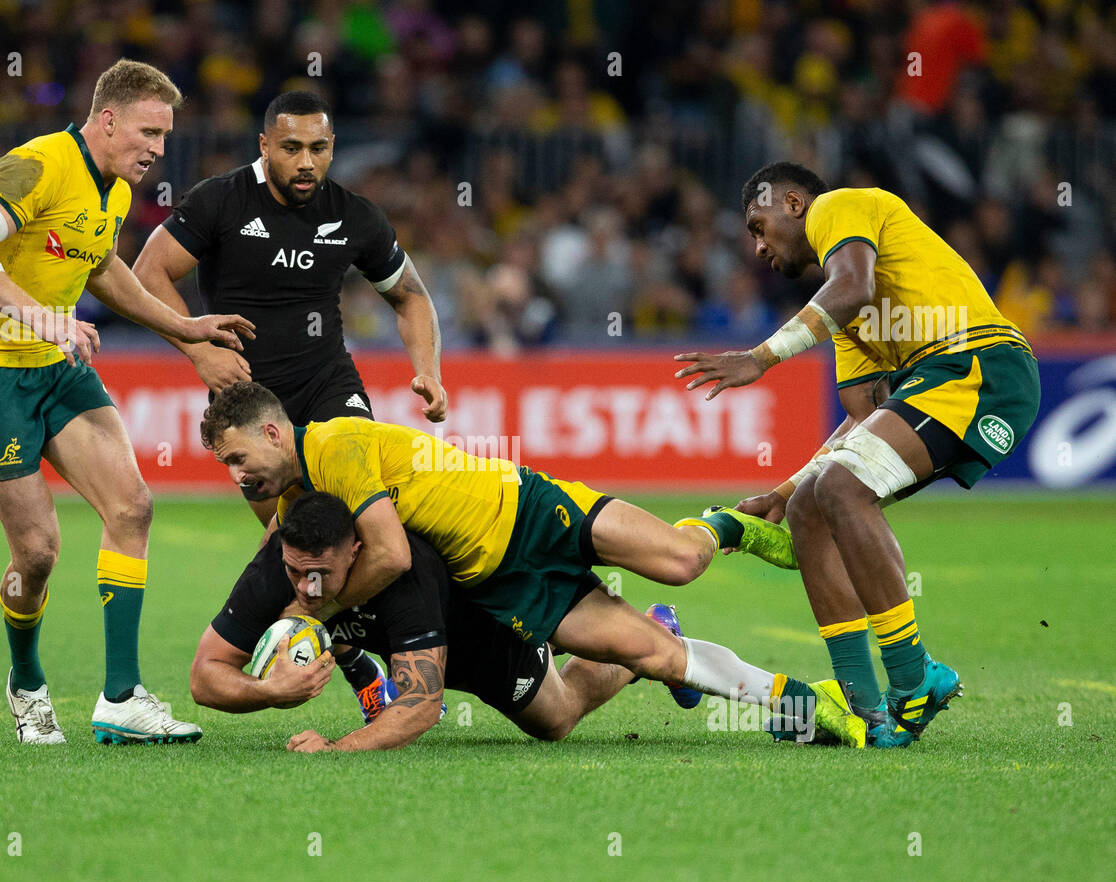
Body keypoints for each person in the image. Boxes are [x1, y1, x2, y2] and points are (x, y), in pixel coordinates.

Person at [197, 382, 869, 747]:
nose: (233, 474)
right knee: (656, 654)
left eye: (236, 456)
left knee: (683, 559)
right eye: (222, 465)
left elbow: (393, 555)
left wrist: (312, 617)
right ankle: (803, 707)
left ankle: (733, 525)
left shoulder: (336, 445)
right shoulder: (295, 503)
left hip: (527, 507)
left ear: (274, 432)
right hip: (501, 580)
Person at [0, 58, 253, 745]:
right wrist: (42, 317)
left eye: (164, 136)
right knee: (39, 554)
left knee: (132, 506)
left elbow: (100, 265)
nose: (158, 149)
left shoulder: (112, 188)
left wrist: (184, 326)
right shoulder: (36, 163)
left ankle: (120, 698)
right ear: (106, 120)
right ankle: (26, 683)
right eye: (148, 131)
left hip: (55, 367)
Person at [674, 161, 1041, 747]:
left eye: (759, 226)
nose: (759, 247)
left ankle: (915, 677)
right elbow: (862, 416)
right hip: (937, 377)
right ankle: (864, 707)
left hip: (980, 366)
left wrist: (761, 357)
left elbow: (853, 284)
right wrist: (783, 491)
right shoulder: (846, 313)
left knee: (844, 488)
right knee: (812, 507)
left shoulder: (839, 207)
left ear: (794, 202)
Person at [190, 492, 853, 752]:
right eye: (294, 570)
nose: (307, 588)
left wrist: (335, 752)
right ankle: (660, 634)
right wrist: (267, 693)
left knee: (556, 719)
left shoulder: (404, 570)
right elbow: (204, 677)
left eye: (322, 574)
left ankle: (777, 693)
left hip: (489, 627)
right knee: (587, 694)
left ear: (358, 551)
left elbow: (419, 710)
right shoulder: (278, 571)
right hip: (435, 634)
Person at [133, 90, 447, 526]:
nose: (306, 162)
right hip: (246, 399)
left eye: (318, 149)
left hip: (329, 387)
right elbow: (147, 274)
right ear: (265, 146)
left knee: (362, 523)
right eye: (291, 148)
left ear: (332, 146)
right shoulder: (220, 200)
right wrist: (201, 351)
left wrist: (428, 370)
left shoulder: (355, 217)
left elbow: (411, 297)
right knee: (295, 538)